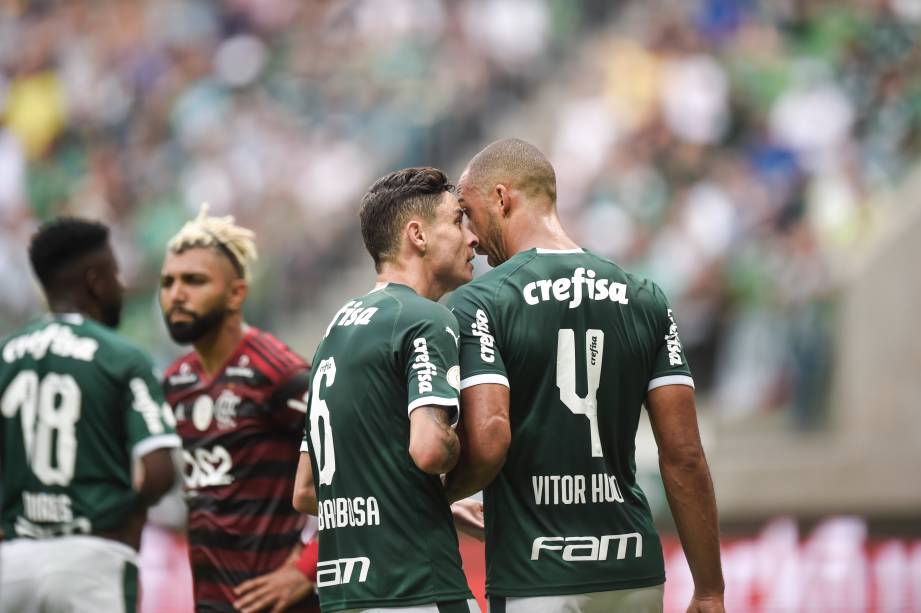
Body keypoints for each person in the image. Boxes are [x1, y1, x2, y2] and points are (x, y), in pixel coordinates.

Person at [444, 139, 725, 613]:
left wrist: (433, 494)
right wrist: (710, 588)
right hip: (632, 569)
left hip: (540, 572)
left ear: (501, 198)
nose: (470, 235)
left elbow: (490, 435)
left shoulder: (481, 301)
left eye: (469, 212)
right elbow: (685, 456)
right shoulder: (646, 297)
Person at [292, 167, 481, 613]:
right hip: (416, 587)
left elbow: (304, 490)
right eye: (457, 221)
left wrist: (407, 500)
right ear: (417, 235)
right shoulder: (426, 319)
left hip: (344, 596)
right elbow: (431, 450)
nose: (471, 239)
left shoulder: (335, 331)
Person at [0, 218, 179, 613]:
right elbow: (160, 469)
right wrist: (118, 515)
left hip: (12, 566)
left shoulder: (5, 356)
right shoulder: (121, 357)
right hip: (93, 559)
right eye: (115, 273)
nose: (122, 285)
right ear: (96, 281)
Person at [159, 207, 318, 613]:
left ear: (236, 293)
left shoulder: (278, 371)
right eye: (168, 282)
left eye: (194, 281)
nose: (176, 294)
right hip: (212, 603)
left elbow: (354, 466)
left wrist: (306, 567)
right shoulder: (177, 381)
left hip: (279, 604)